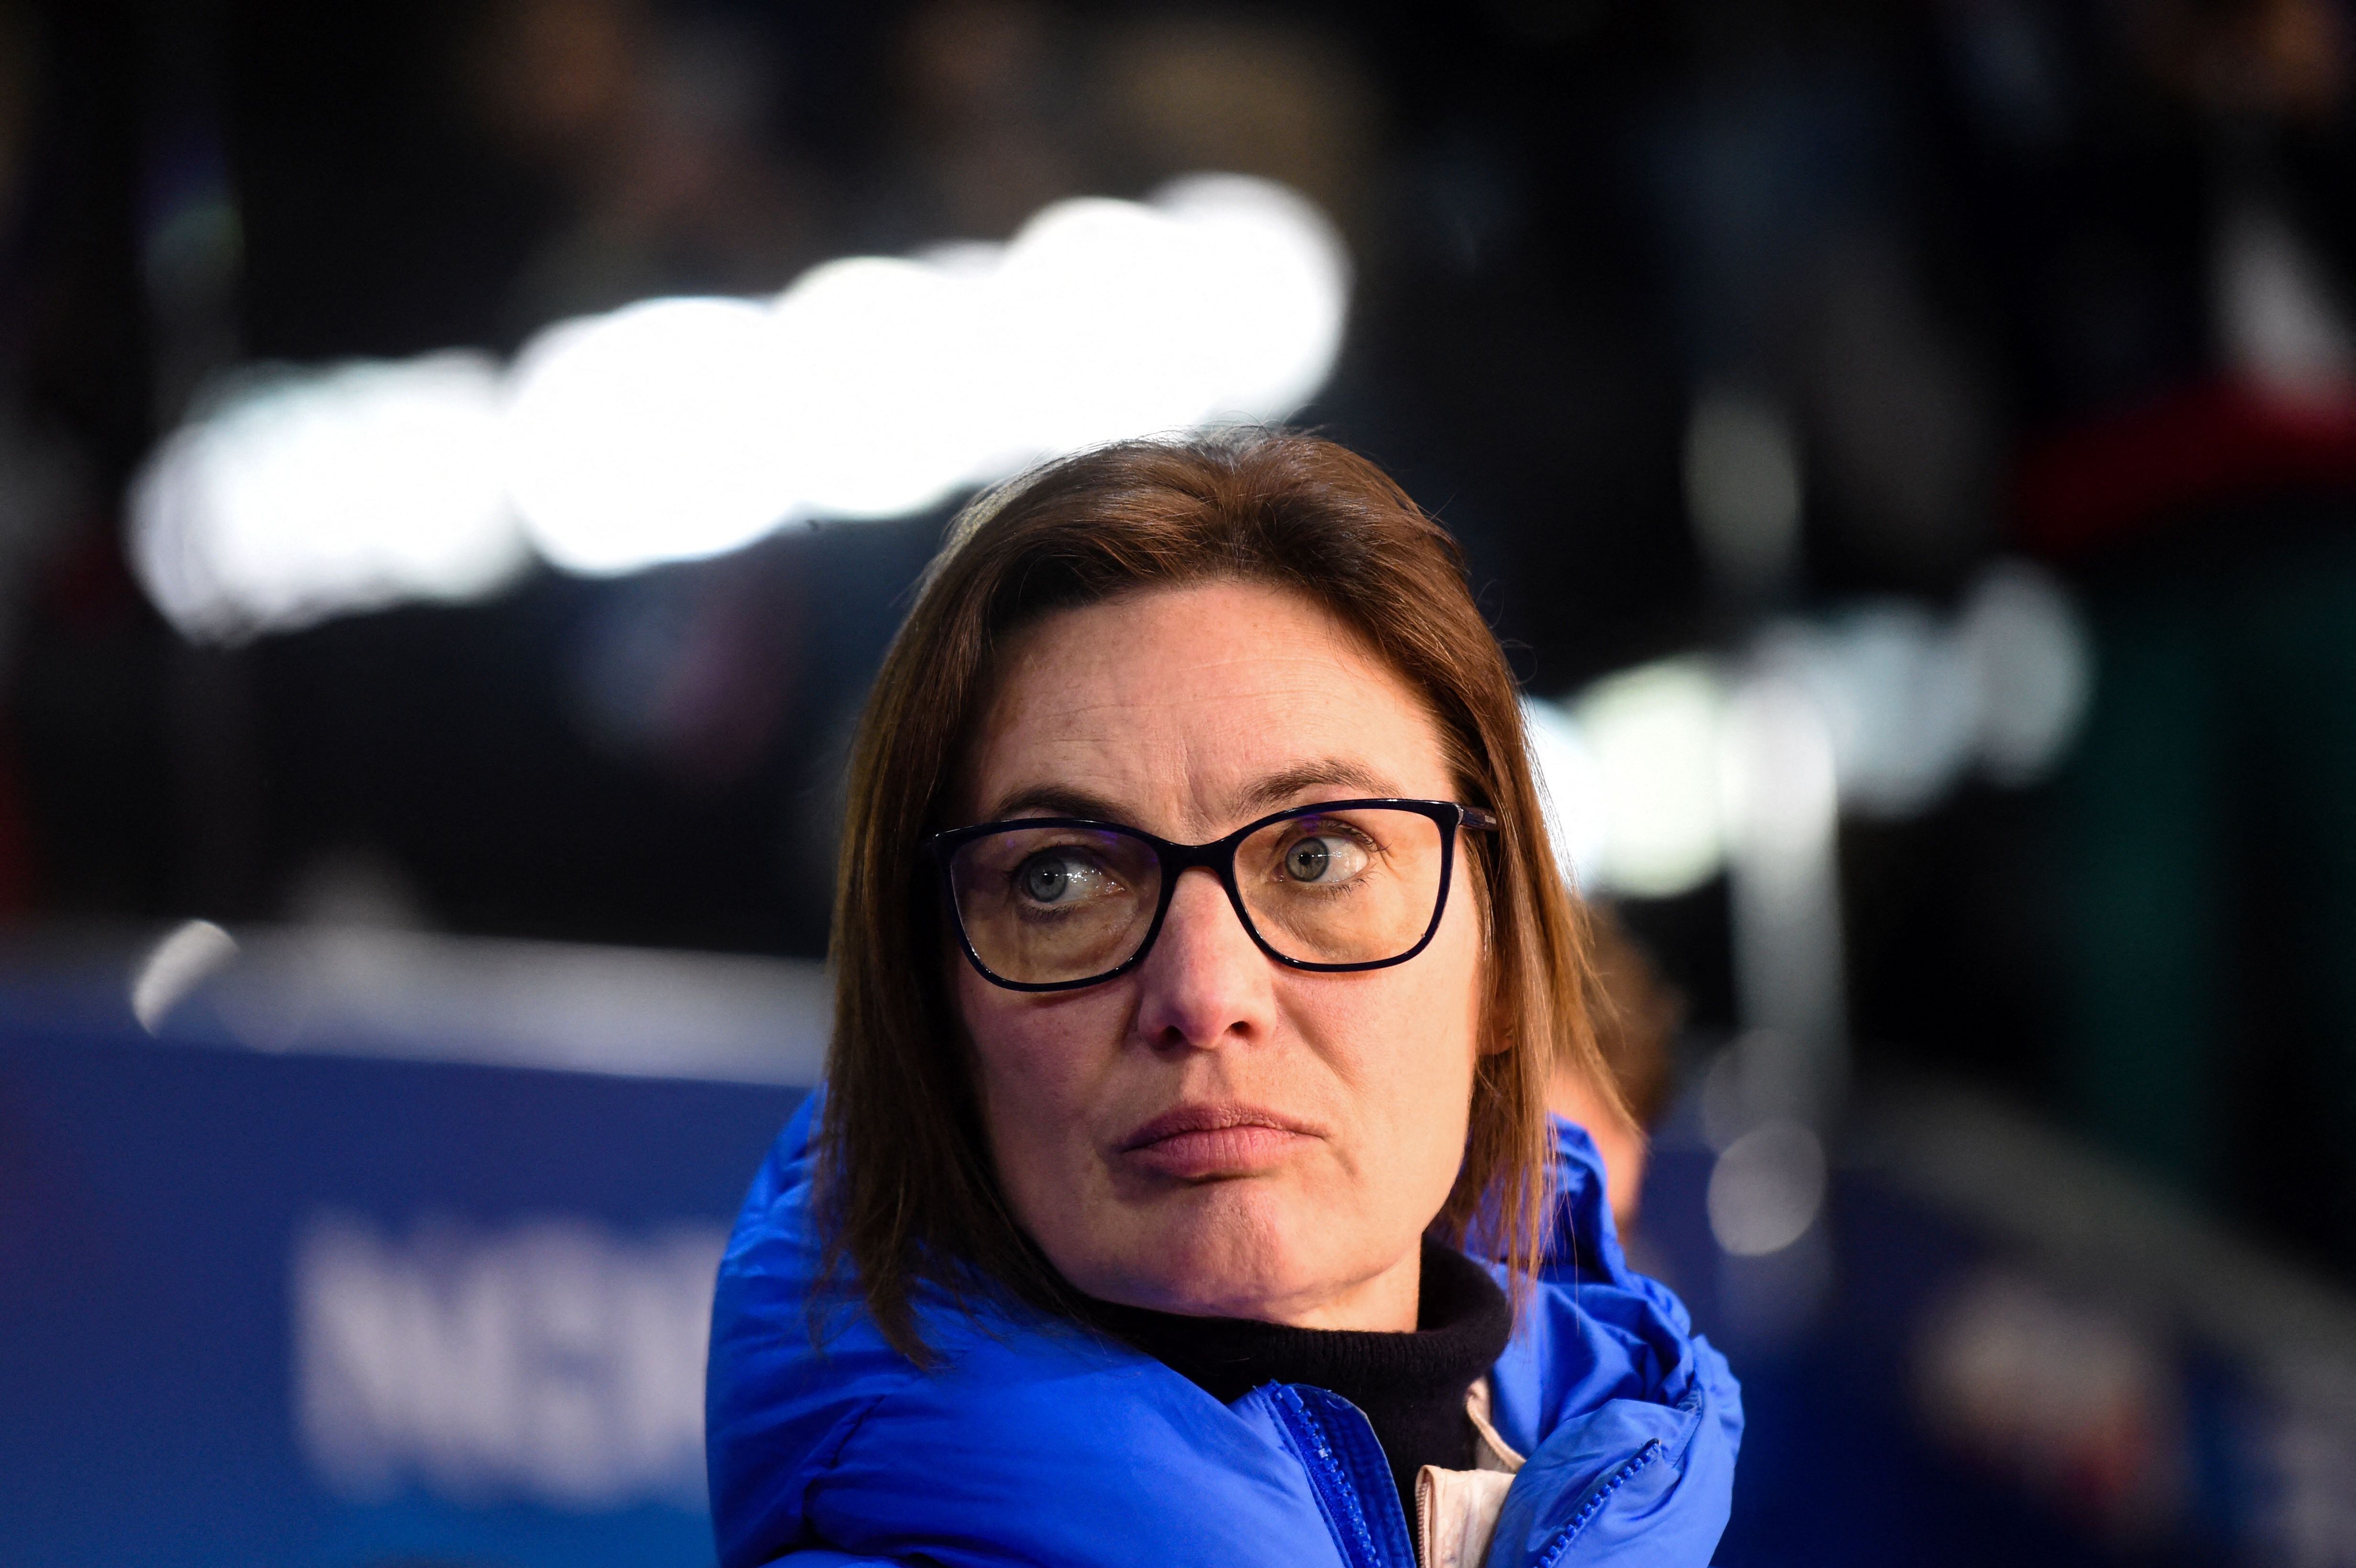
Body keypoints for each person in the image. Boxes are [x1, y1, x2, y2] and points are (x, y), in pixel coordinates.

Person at [705, 432, 1740, 1568]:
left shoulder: (1621, 1499)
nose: (1203, 993)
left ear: (1501, 964)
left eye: (1317, 857)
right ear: (932, 1008)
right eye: (1060, 879)